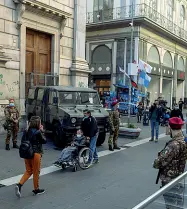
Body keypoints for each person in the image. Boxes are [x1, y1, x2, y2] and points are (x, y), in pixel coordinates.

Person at [153, 117, 187, 209]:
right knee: (178, 203)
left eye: (168, 126)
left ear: (171, 128)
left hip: (169, 180)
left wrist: (159, 157)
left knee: (171, 205)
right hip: (178, 178)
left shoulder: (173, 145)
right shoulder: (183, 141)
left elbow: (157, 163)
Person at [15, 116, 46, 198]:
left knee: (28, 171)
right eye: (40, 122)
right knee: (36, 172)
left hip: (27, 153)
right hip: (35, 154)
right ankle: (36, 189)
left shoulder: (26, 131)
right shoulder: (38, 132)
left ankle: (19, 185)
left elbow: (22, 141)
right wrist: (42, 131)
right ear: (37, 123)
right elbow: (44, 141)